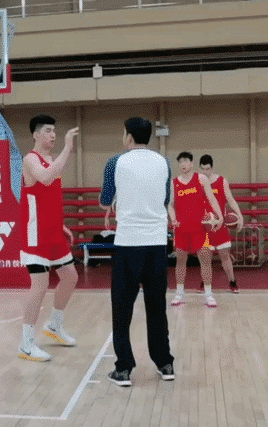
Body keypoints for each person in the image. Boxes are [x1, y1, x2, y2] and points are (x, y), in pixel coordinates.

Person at [99, 117, 175, 387]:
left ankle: (123, 369)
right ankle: (165, 363)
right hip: (157, 245)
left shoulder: (115, 162)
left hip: (127, 245)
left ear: (128, 137)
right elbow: (165, 200)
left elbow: (105, 200)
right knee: (157, 307)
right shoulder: (164, 162)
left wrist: (118, 200)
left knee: (122, 310)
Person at [18, 114, 80, 362]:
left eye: (54, 130)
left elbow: (49, 196)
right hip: (36, 234)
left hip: (54, 231)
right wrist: (67, 148)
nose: (53, 135)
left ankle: (54, 325)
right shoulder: (30, 159)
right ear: (35, 135)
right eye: (47, 130)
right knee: (40, 285)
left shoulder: (51, 159)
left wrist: (60, 223)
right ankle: (26, 344)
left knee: (70, 277)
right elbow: (45, 178)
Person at [167, 152, 223, 308]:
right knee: (180, 261)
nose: (183, 164)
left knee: (205, 260)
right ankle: (179, 294)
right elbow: (170, 204)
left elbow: (212, 199)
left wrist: (220, 216)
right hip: (181, 229)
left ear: (191, 164)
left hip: (200, 228)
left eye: (185, 161)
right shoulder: (174, 183)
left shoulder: (201, 179)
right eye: (180, 162)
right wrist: (173, 218)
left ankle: (209, 294)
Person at [199, 154, 244, 293]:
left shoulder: (221, 181)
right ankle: (205, 283)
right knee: (206, 258)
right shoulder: (198, 183)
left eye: (207, 169)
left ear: (212, 168)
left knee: (225, 256)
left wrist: (240, 216)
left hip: (220, 225)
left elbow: (230, 200)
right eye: (202, 169)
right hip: (205, 226)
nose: (205, 172)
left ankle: (232, 282)